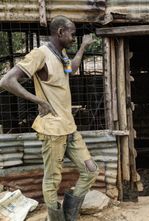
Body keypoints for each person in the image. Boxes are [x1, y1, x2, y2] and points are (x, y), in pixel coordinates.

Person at [0, 15, 99, 221]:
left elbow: (72, 68)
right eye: (72, 33)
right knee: (52, 180)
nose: (74, 37)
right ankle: (56, 218)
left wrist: (82, 47)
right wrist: (39, 101)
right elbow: (7, 81)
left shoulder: (60, 54)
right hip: (52, 130)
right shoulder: (40, 54)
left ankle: (69, 216)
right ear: (60, 32)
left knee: (90, 171)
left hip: (69, 127)